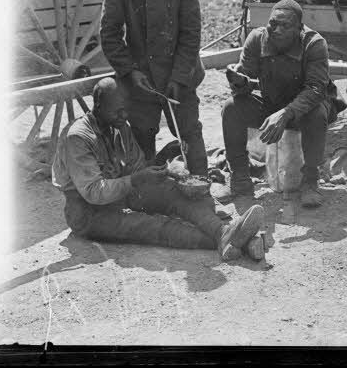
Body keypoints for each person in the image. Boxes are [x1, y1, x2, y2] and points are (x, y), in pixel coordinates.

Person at [52, 77, 264, 260]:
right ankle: (237, 241)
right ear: (97, 106)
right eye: (117, 111)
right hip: (87, 213)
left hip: (118, 195)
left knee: (172, 191)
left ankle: (223, 232)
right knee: (149, 226)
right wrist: (136, 179)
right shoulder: (78, 137)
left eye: (126, 109)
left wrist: (163, 159)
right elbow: (93, 192)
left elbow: (137, 168)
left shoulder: (118, 126)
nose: (124, 116)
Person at [100, 0, 208, 178]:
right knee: (142, 131)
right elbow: (109, 34)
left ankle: (201, 183)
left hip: (180, 75)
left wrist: (180, 77)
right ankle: (149, 187)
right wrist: (130, 71)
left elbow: (191, 34)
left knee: (189, 130)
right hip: (141, 78)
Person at [219, 0, 345, 207]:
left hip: (306, 106)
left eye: (284, 26)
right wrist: (239, 82)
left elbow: (316, 89)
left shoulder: (314, 44)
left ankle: (310, 182)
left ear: (299, 28)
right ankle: (240, 179)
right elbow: (246, 77)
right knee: (231, 108)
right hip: (272, 103)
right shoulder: (257, 39)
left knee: (317, 115)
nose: (276, 30)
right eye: (272, 24)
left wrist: (286, 113)